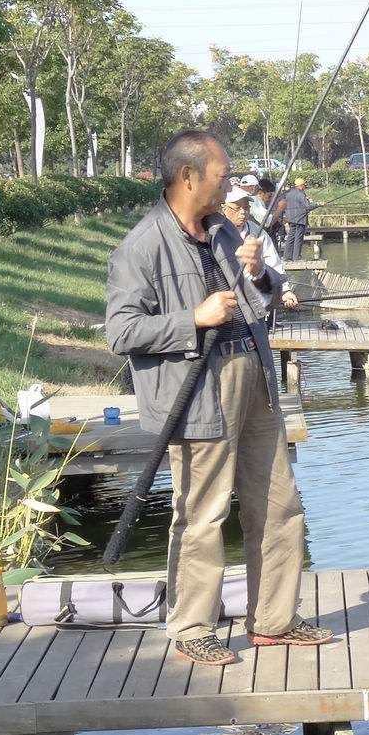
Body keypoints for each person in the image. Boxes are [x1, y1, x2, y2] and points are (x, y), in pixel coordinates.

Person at [105, 130, 334, 666]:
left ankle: (274, 621)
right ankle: (191, 629)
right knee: (202, 514)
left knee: (279, 504)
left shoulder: (224, 233)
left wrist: (257, 272)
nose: (230, 183)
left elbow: (260, 293)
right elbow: (120, 331)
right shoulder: (141, 247)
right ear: (189, 177)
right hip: (197, 390)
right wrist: (193, 319)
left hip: (254, 377)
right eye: (222, 174)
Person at [220, 182, 299, 313]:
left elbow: (272, 262)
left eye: (246, 208)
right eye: (237, 208)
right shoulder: (215, 232)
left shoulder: (258, 232)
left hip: (256, 302)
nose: (243, 213)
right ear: (224, 209)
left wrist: (286, 290)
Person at [280, 176, 313, 261]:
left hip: (291, 219)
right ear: (301, 185)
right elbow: (308, 206)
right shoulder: (300, 194)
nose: (305, 187)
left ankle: (287, 257)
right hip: (300, 219)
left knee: (290, 237)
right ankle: (296, 257)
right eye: (304, 185)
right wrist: (318, 204)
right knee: (298, 238)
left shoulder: (288, 193)